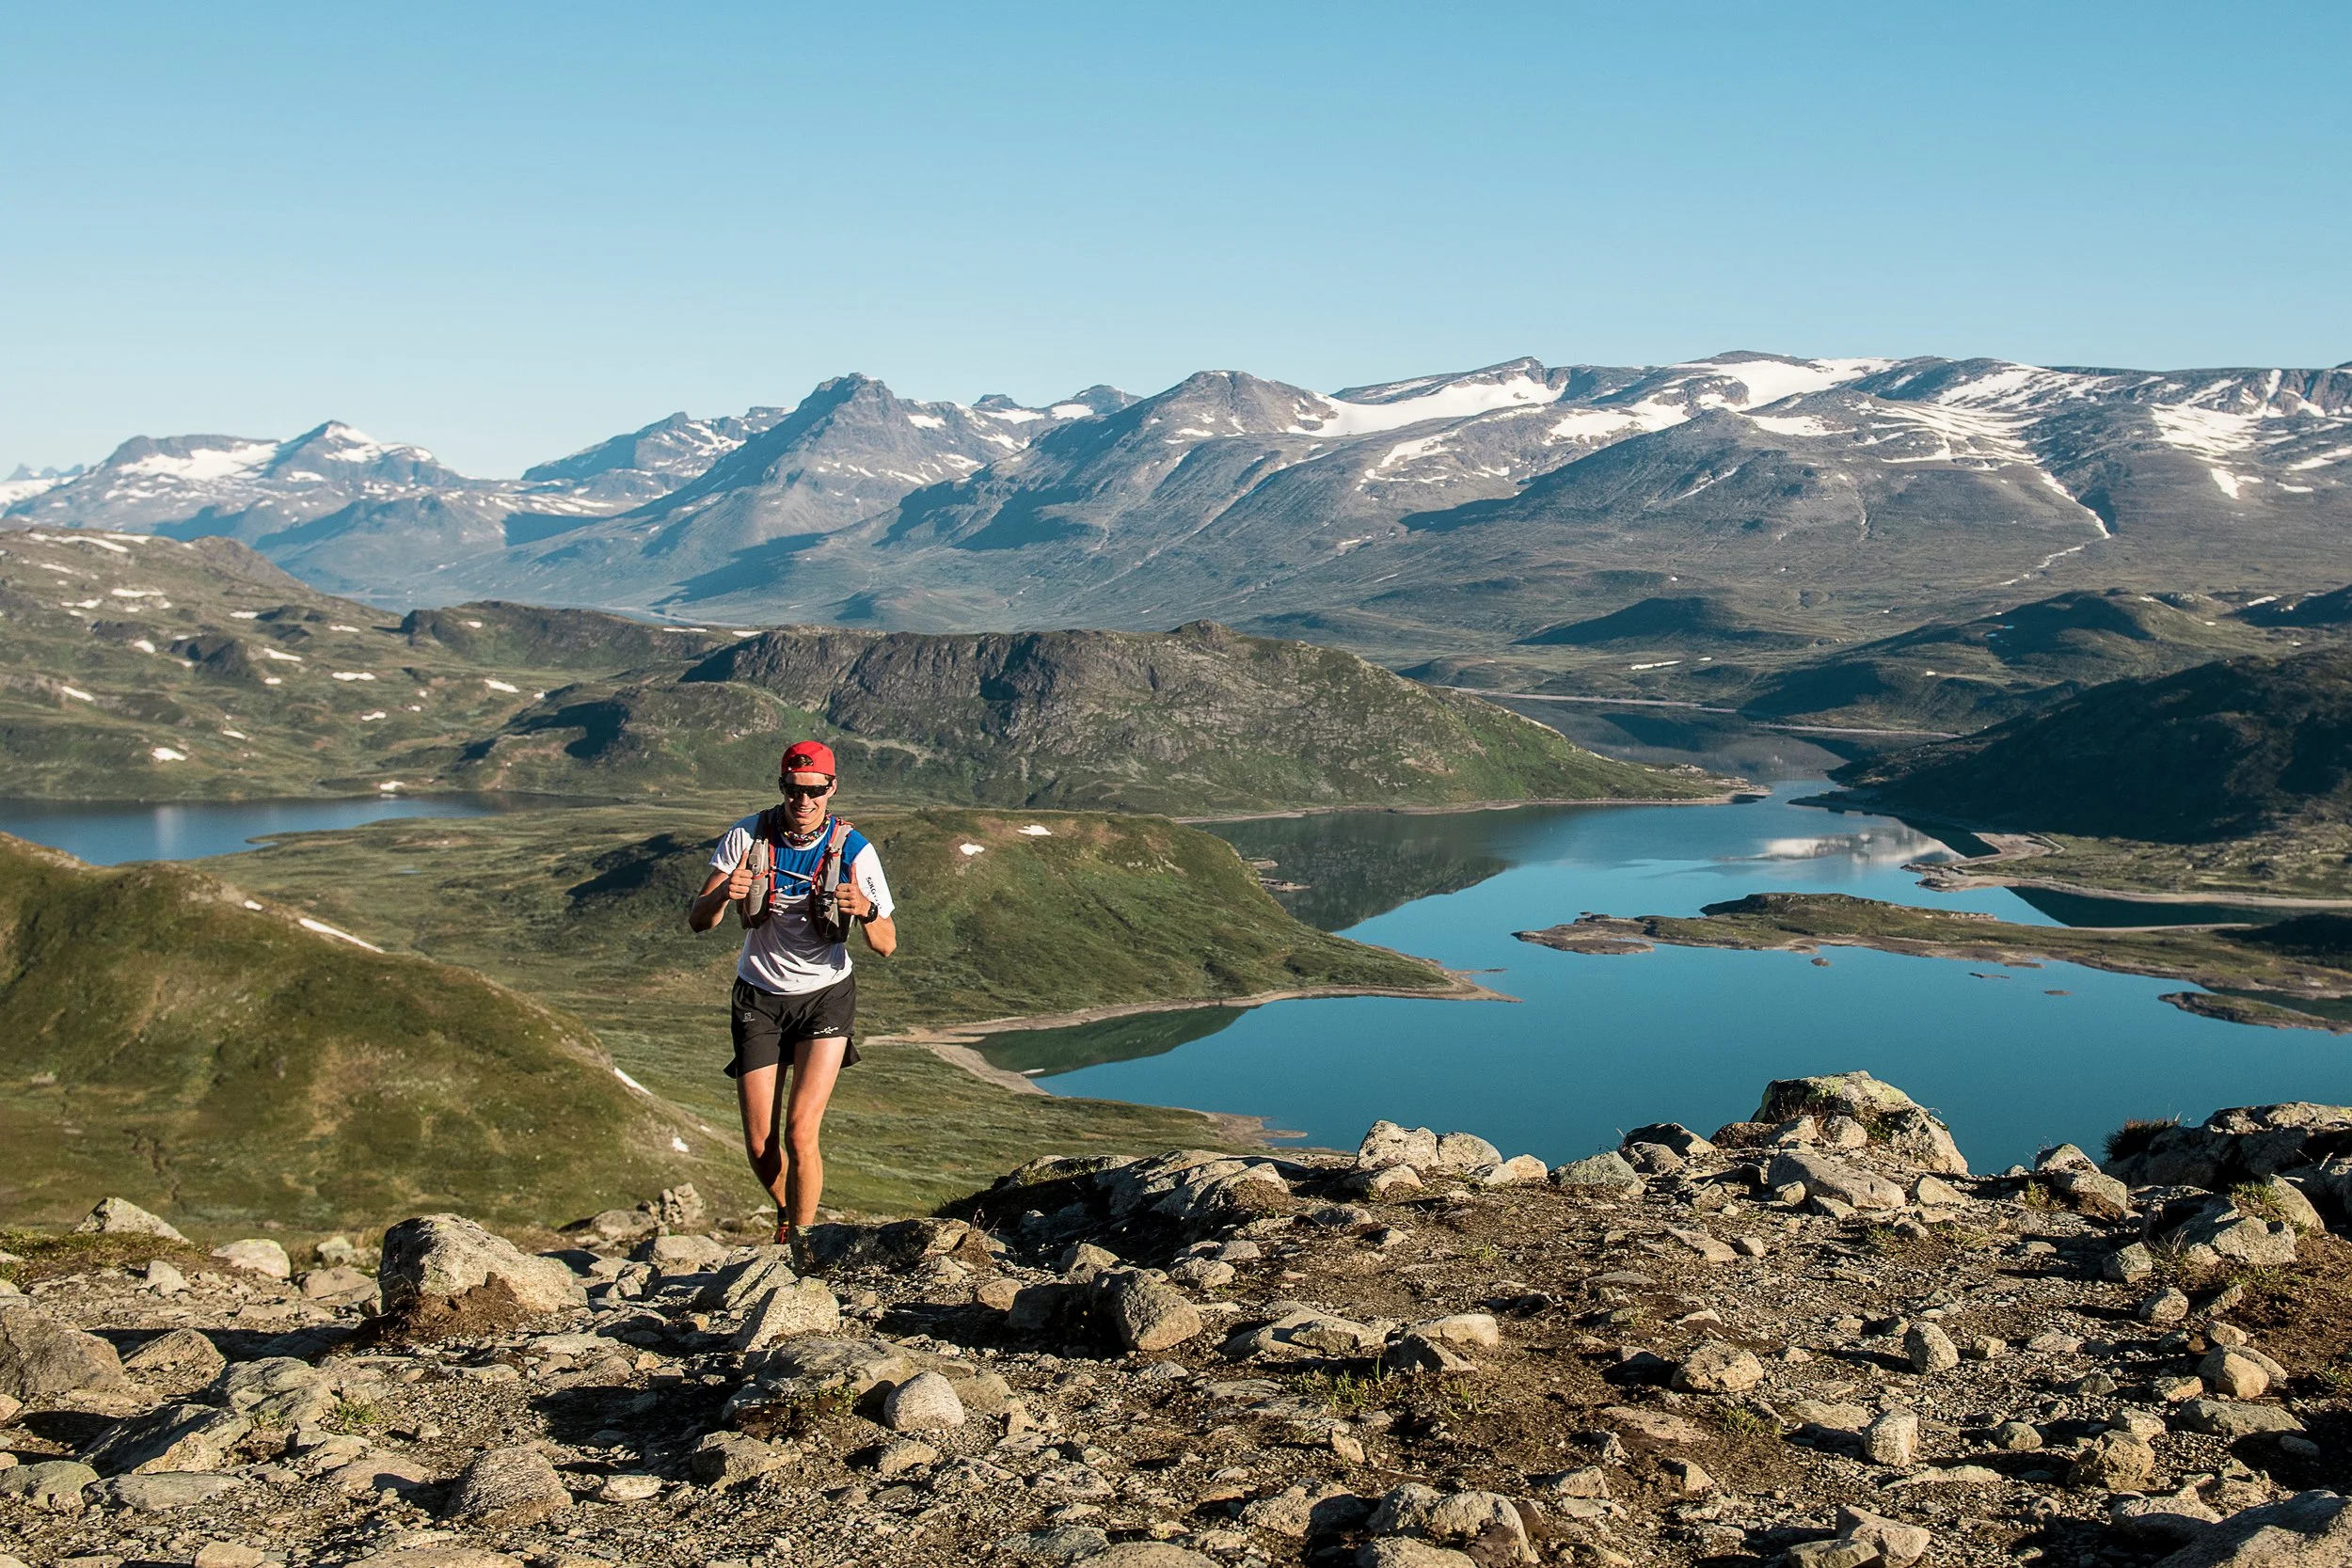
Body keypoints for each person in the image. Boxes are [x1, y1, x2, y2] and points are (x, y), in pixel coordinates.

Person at [687, 739, 895, 1265]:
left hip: (825, 997)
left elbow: (887, 943)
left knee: (801, 1132)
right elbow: (698, 919)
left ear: (832, 789)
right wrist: (723, 894)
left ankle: (803, 1249)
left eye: (815, 791)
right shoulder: (747, 835)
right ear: (781, 786)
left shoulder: (854, 849)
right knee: (761, 1145)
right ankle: (787, 1210)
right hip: (758, 996)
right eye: (794, 790)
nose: (804, 801)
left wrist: (867, 909)